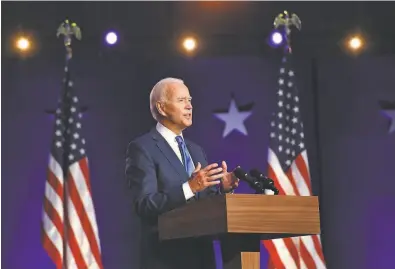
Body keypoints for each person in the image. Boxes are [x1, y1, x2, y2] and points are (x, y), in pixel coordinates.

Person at [125, 77, 240, 269]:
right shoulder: (142, 148)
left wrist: (224, 191)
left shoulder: (196, 150)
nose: (189, 106)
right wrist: (189, 187)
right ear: (161, 108)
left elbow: (204, 204)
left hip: (202, 259)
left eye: (190, 100)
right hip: (166, 259)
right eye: (181, 101)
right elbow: (145, 204)